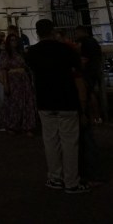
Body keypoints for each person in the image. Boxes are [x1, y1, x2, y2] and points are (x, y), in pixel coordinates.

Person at [27, 18, 90, 194]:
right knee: (70, 143)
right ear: (53, 31)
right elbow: (78, 69)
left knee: (50, 141)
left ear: (37, 32)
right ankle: (71, 181)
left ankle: (55, 177)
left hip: (45, 100)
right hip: (66, 98)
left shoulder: (32, 52)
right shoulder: (65, 50)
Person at [0, 31, 37, 135]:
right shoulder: (5, 54)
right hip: (13, 81)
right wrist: (5, 84)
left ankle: (27, 126)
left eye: (15, 40)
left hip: (23, 81)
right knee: (14, 103)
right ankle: (13, 125)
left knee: (26, 102)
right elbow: (4, 70)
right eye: (11, 40)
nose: (14, 42)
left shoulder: (20, 53)